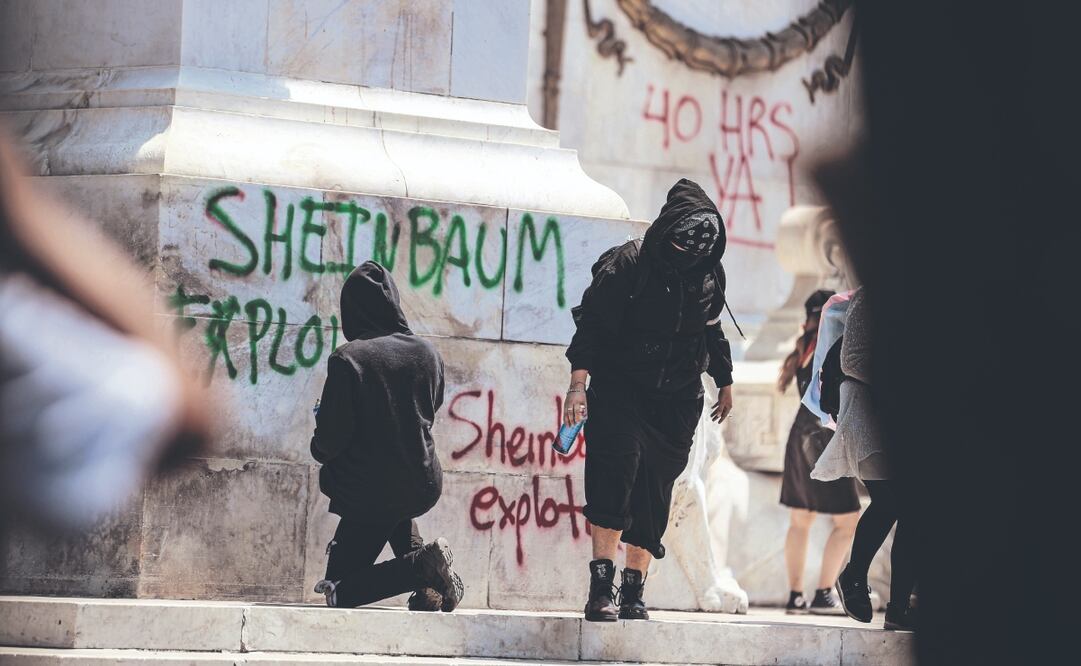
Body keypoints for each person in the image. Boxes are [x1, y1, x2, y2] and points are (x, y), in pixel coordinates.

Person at [564, 178, 735, 622]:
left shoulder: (709, 272)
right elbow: (593, 326)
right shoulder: (628, 263)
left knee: (654, 494)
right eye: (684, 246)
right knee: (611, 479)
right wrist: (577, 385)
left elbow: (712, 329)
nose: (691, 256)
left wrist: (725, 381)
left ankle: (633, 592)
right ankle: (600, 589)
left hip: (676, 401)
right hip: (620, 390)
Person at [311, 261, 463, 612]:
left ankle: (422, 569)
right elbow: (429, 410)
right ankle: (430, 584)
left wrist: (318, 445)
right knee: (396, 501)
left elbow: (332, 439)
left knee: (339, 591)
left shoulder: (348, 359)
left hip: (367, 490)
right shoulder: (428, 354)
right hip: (421, 482)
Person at [810, 287, 915, 630]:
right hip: (867, 416)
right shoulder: (872, 295)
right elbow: (852, 359)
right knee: (890, 501)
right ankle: (854, 575)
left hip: (902, 419)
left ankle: (898, 607)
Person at [777, 290, 860, 615]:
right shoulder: (833, 345)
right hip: (822, 438)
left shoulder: (803, 349)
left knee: (801, 519)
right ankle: (824, 593)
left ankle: (795, 596)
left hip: (799, 436)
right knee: (848, 521)